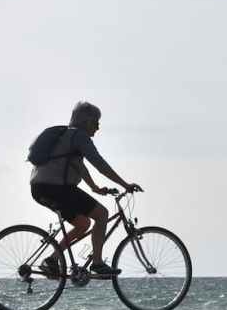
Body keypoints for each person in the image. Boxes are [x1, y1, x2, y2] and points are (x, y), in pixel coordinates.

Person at [29, 101, 143, 277]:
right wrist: (125, 184)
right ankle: (97, 264)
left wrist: (95, 188)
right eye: (96, 122)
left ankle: (52, 260)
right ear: (87, 121)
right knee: (102, 214)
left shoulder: (65, 137)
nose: (98, 127)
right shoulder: (79, 136)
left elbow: (79, 167)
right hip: (57, 188)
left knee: (83, 224)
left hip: (39, 188)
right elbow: (99, 163)